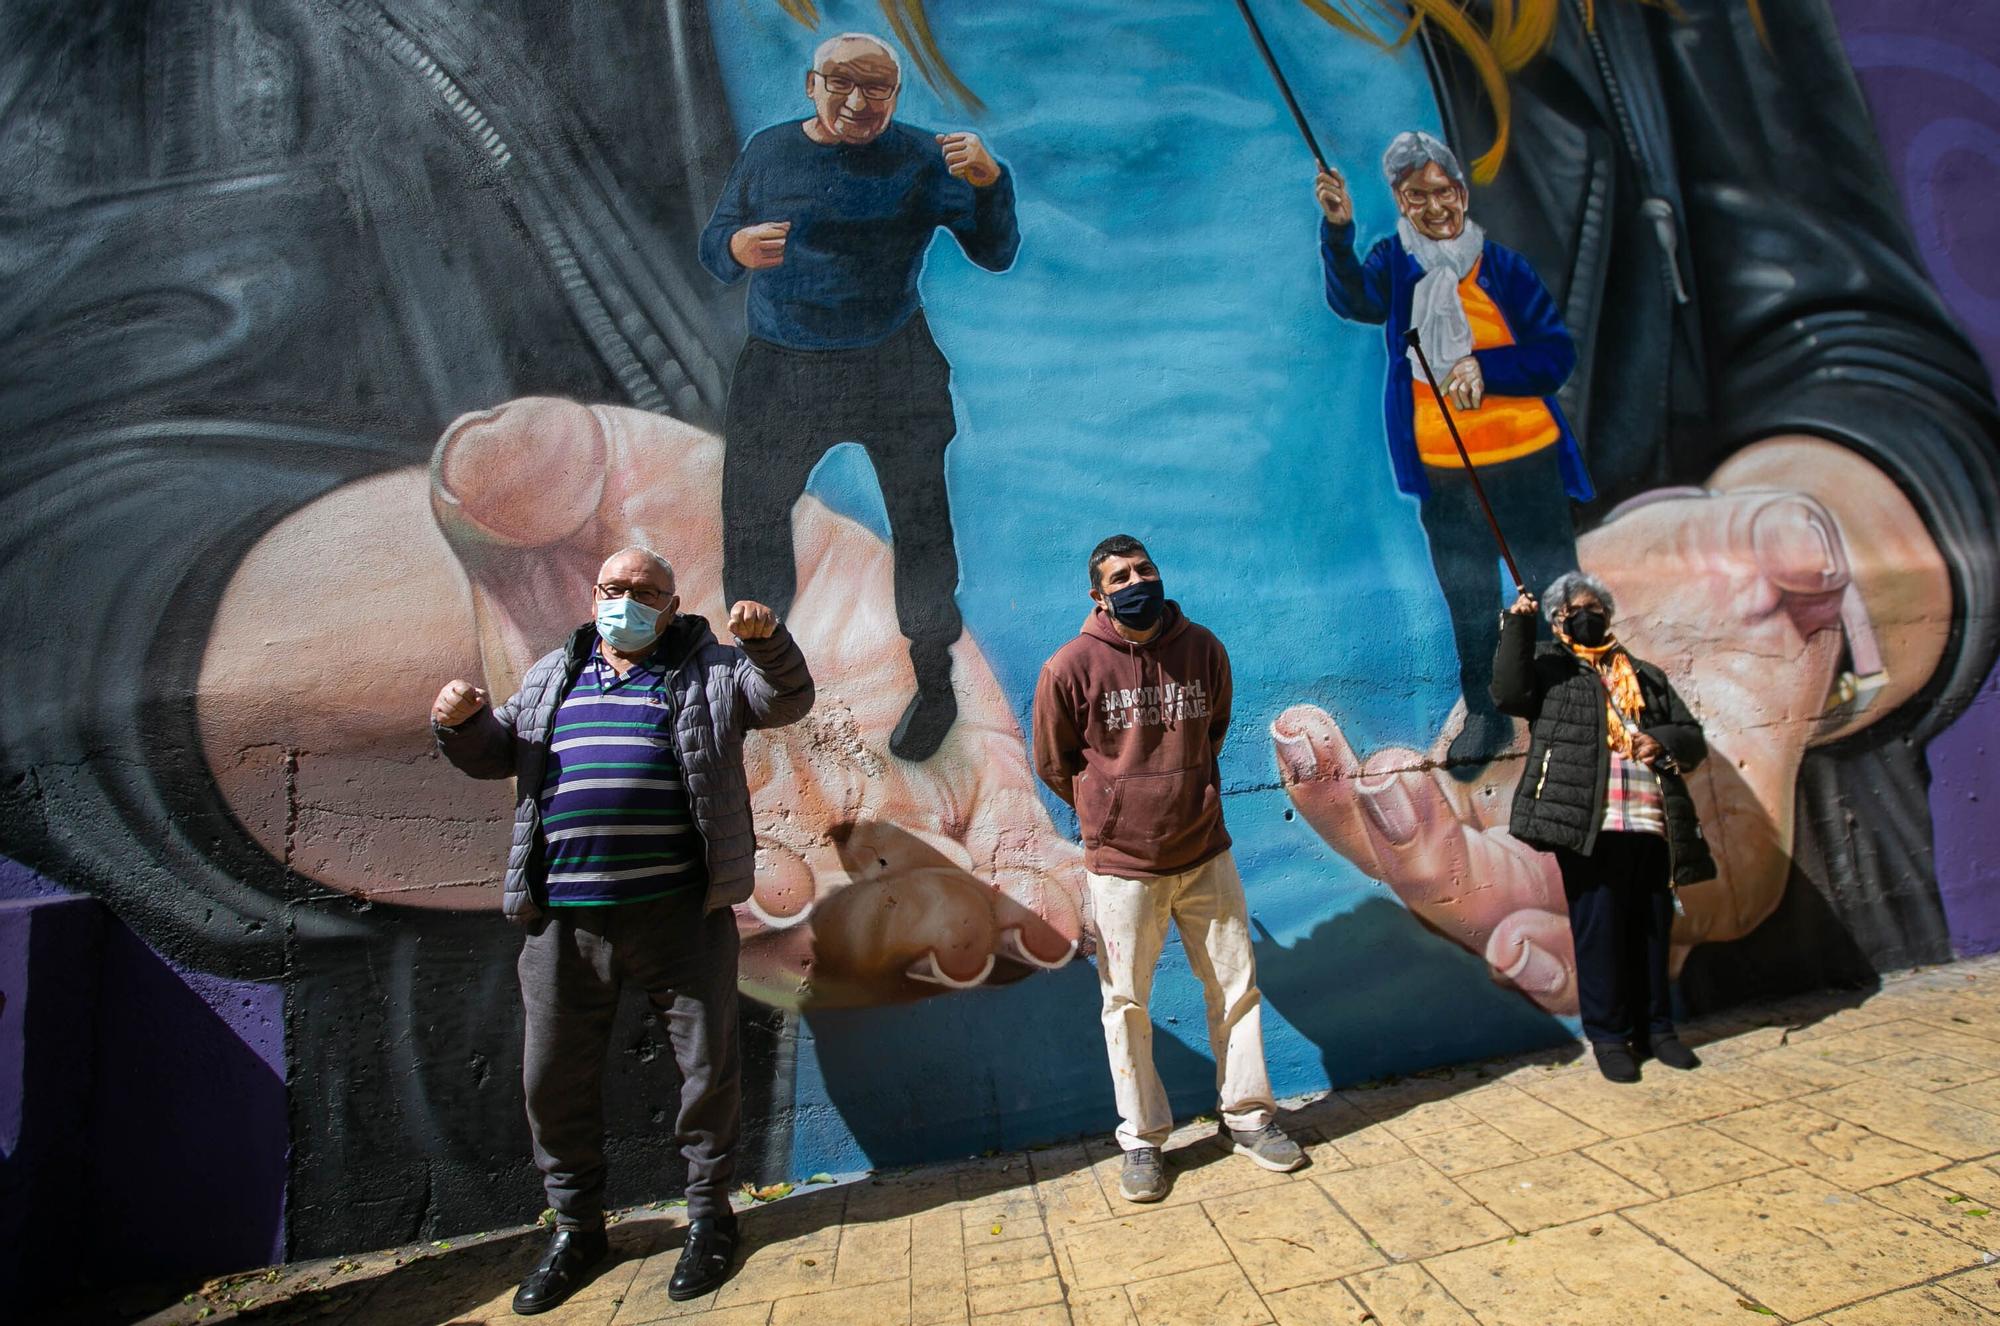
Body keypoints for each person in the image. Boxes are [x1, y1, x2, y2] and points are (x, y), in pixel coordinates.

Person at [431, 547, 813, 1314]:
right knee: (553, 1080)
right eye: (615, 589)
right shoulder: (552, 674)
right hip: (564, 923)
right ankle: (577, 1229)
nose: (627, 603)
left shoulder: (711, 669)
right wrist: (461, 726)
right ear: (594, 594)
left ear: (672, 605)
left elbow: (784, 701)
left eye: (645, 592)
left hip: (680, 914)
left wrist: (768, 641)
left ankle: (710, 1217)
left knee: (707, 1073)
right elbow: (499, 752)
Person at [699, 31, 1020, 763]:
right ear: (811, 85)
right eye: (840, 83)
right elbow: (716, 244)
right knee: (752, 523)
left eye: (875, 87)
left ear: (896, 95)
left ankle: (933, 684)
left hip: (891, 364)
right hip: (784, 367)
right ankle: (759, 675)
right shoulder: (770, 151)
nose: (856, 101)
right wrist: (737, 248)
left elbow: (996, 252)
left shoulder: (922, 158)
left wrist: (989, 182)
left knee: (922, 530)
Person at [1032, 535, 1303, 1202]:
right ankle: (1144, 1143)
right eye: (1120, 576)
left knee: (1236, 989)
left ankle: (1249, 1119)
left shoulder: (1203, 649)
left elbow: (1214, 731)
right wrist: (1112, 816)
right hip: (1122, 868)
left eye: (1144, 569)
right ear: (1099, 596)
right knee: (1125, 1004)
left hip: (1206, 851)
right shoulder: (1068, 668)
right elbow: (1053, 761)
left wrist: (1189, 796)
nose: (1136, 581)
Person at [1317, 129, 1590, 775]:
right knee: (1469, 600)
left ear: (1461, 192)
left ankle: (1567, 712)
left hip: (1526, 458)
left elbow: (1555, 356)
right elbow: (1355, 300)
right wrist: (1338, 232)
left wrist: (1485, 368)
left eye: (1443, 192)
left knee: (1550, 590)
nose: (1435, 207)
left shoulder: (1504, 268)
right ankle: (1488, 716)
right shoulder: (1394, 262)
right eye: (1417, 197)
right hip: (1447, 472)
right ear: (1400, 201)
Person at [1492, 571, 1714, 1082]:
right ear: (1556, 621)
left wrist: (1662, 740)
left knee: (1653, 930)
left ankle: (1658, 1030)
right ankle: (1610, 1037)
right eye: (1571, 613)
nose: (1584, 617)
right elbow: (1507, 692)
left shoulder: (1646, 676)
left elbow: (1692, 738)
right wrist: (1517, 627)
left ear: (1609, 614)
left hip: (1652, 822)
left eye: (1592, 608)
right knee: (1600, 933)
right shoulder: (1550, 671)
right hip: (1589, 826)